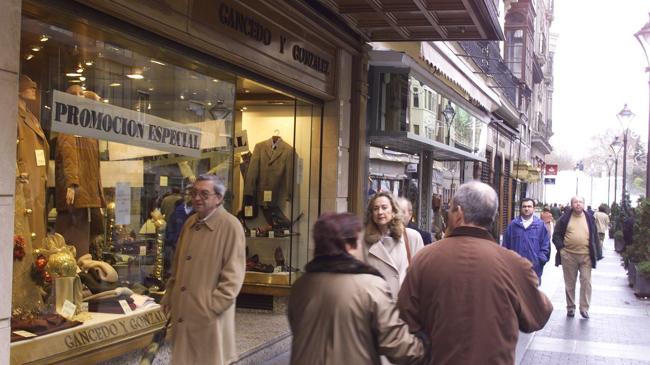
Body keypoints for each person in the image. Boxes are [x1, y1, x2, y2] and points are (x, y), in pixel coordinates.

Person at [398, 181, 553, 365]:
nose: (447, 213)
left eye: (450, 209)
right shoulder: (514, 264)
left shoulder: (424, 259)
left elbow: (404, 319)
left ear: (459, 214)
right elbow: (539, 315)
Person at [288, 213, 426, 365]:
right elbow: (397, 345)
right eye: (359, 241)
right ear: (349, 246)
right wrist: (423, 345)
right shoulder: (370, 286)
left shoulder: (300, 286)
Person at [161, 174, 246, 365]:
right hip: (184, 314)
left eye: (204, 194)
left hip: (209, 319)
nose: (197, 198)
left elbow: (233, 277)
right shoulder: (190, 223)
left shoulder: (230, 226)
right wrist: (170, 295)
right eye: (194, 193)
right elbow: (178, 267)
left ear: (219, 198)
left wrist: (212, 307)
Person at [365, 192, 424, 298]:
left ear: (393, 211)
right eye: (375, 208)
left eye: (384, 207)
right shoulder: (364, 241)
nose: (380, 212)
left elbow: (422, 274)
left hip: (404, 306)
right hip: (377, 305)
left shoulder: (411, 237)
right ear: (371, 214)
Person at [552, 196, 601, 319]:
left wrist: (597, 253)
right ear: (571, 204)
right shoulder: (564, 218)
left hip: (586, 256)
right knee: (570, 283)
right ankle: (570, 308)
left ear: (584, 204)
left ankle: (584, 308)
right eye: (575, 202)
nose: (578, 204)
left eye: (580, 202)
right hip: (569, 255)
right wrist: (561, 250)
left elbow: (595, 236)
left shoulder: (590, 218)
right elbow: (556, 235)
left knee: (586, 282)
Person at [502, 198, 551, 283]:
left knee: (532, 295)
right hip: (515, 269)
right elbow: (505, 246)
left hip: (534, 270)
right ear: (521, 208)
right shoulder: (513, 225)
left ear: (533, 208)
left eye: (529, 206)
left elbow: (546, 246)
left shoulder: (540, 226)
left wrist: (539, 261)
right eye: (524, 206)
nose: (526, 209)